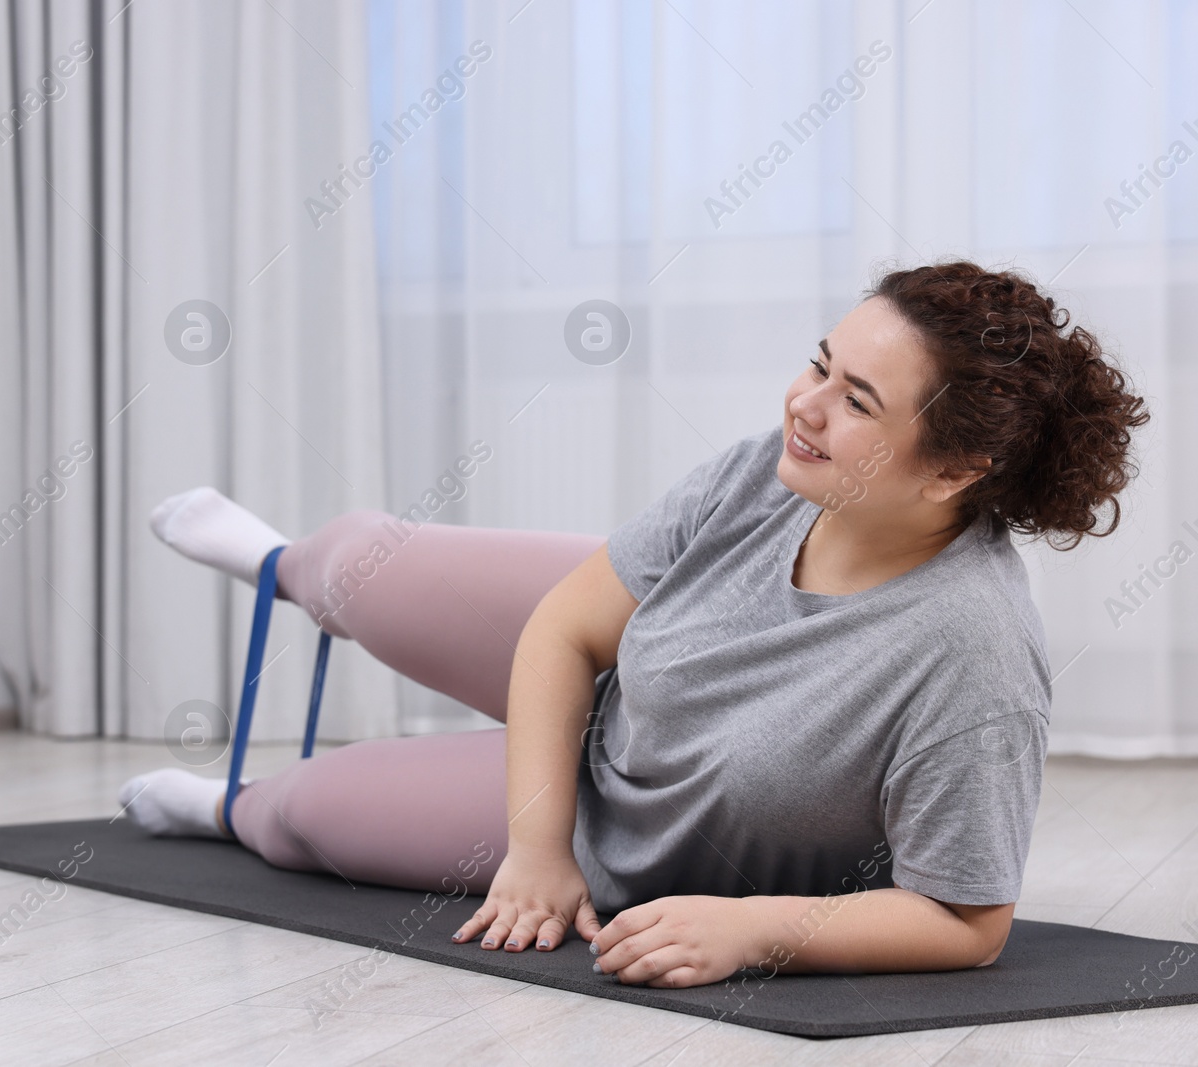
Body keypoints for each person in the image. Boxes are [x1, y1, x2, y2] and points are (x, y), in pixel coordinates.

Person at [119, 262, 1150, 989]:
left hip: (629, 814)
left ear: (952, 470)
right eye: (819, 363)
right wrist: (531, 845)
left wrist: (752, 930)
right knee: (359, 564)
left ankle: (225, 804)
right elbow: (564, 627)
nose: (806, 404)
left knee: (306, 814)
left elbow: (967, 921)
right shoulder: (769, 468)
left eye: (858, 400)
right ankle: (273, 558)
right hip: (639, 666)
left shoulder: (973, 656)